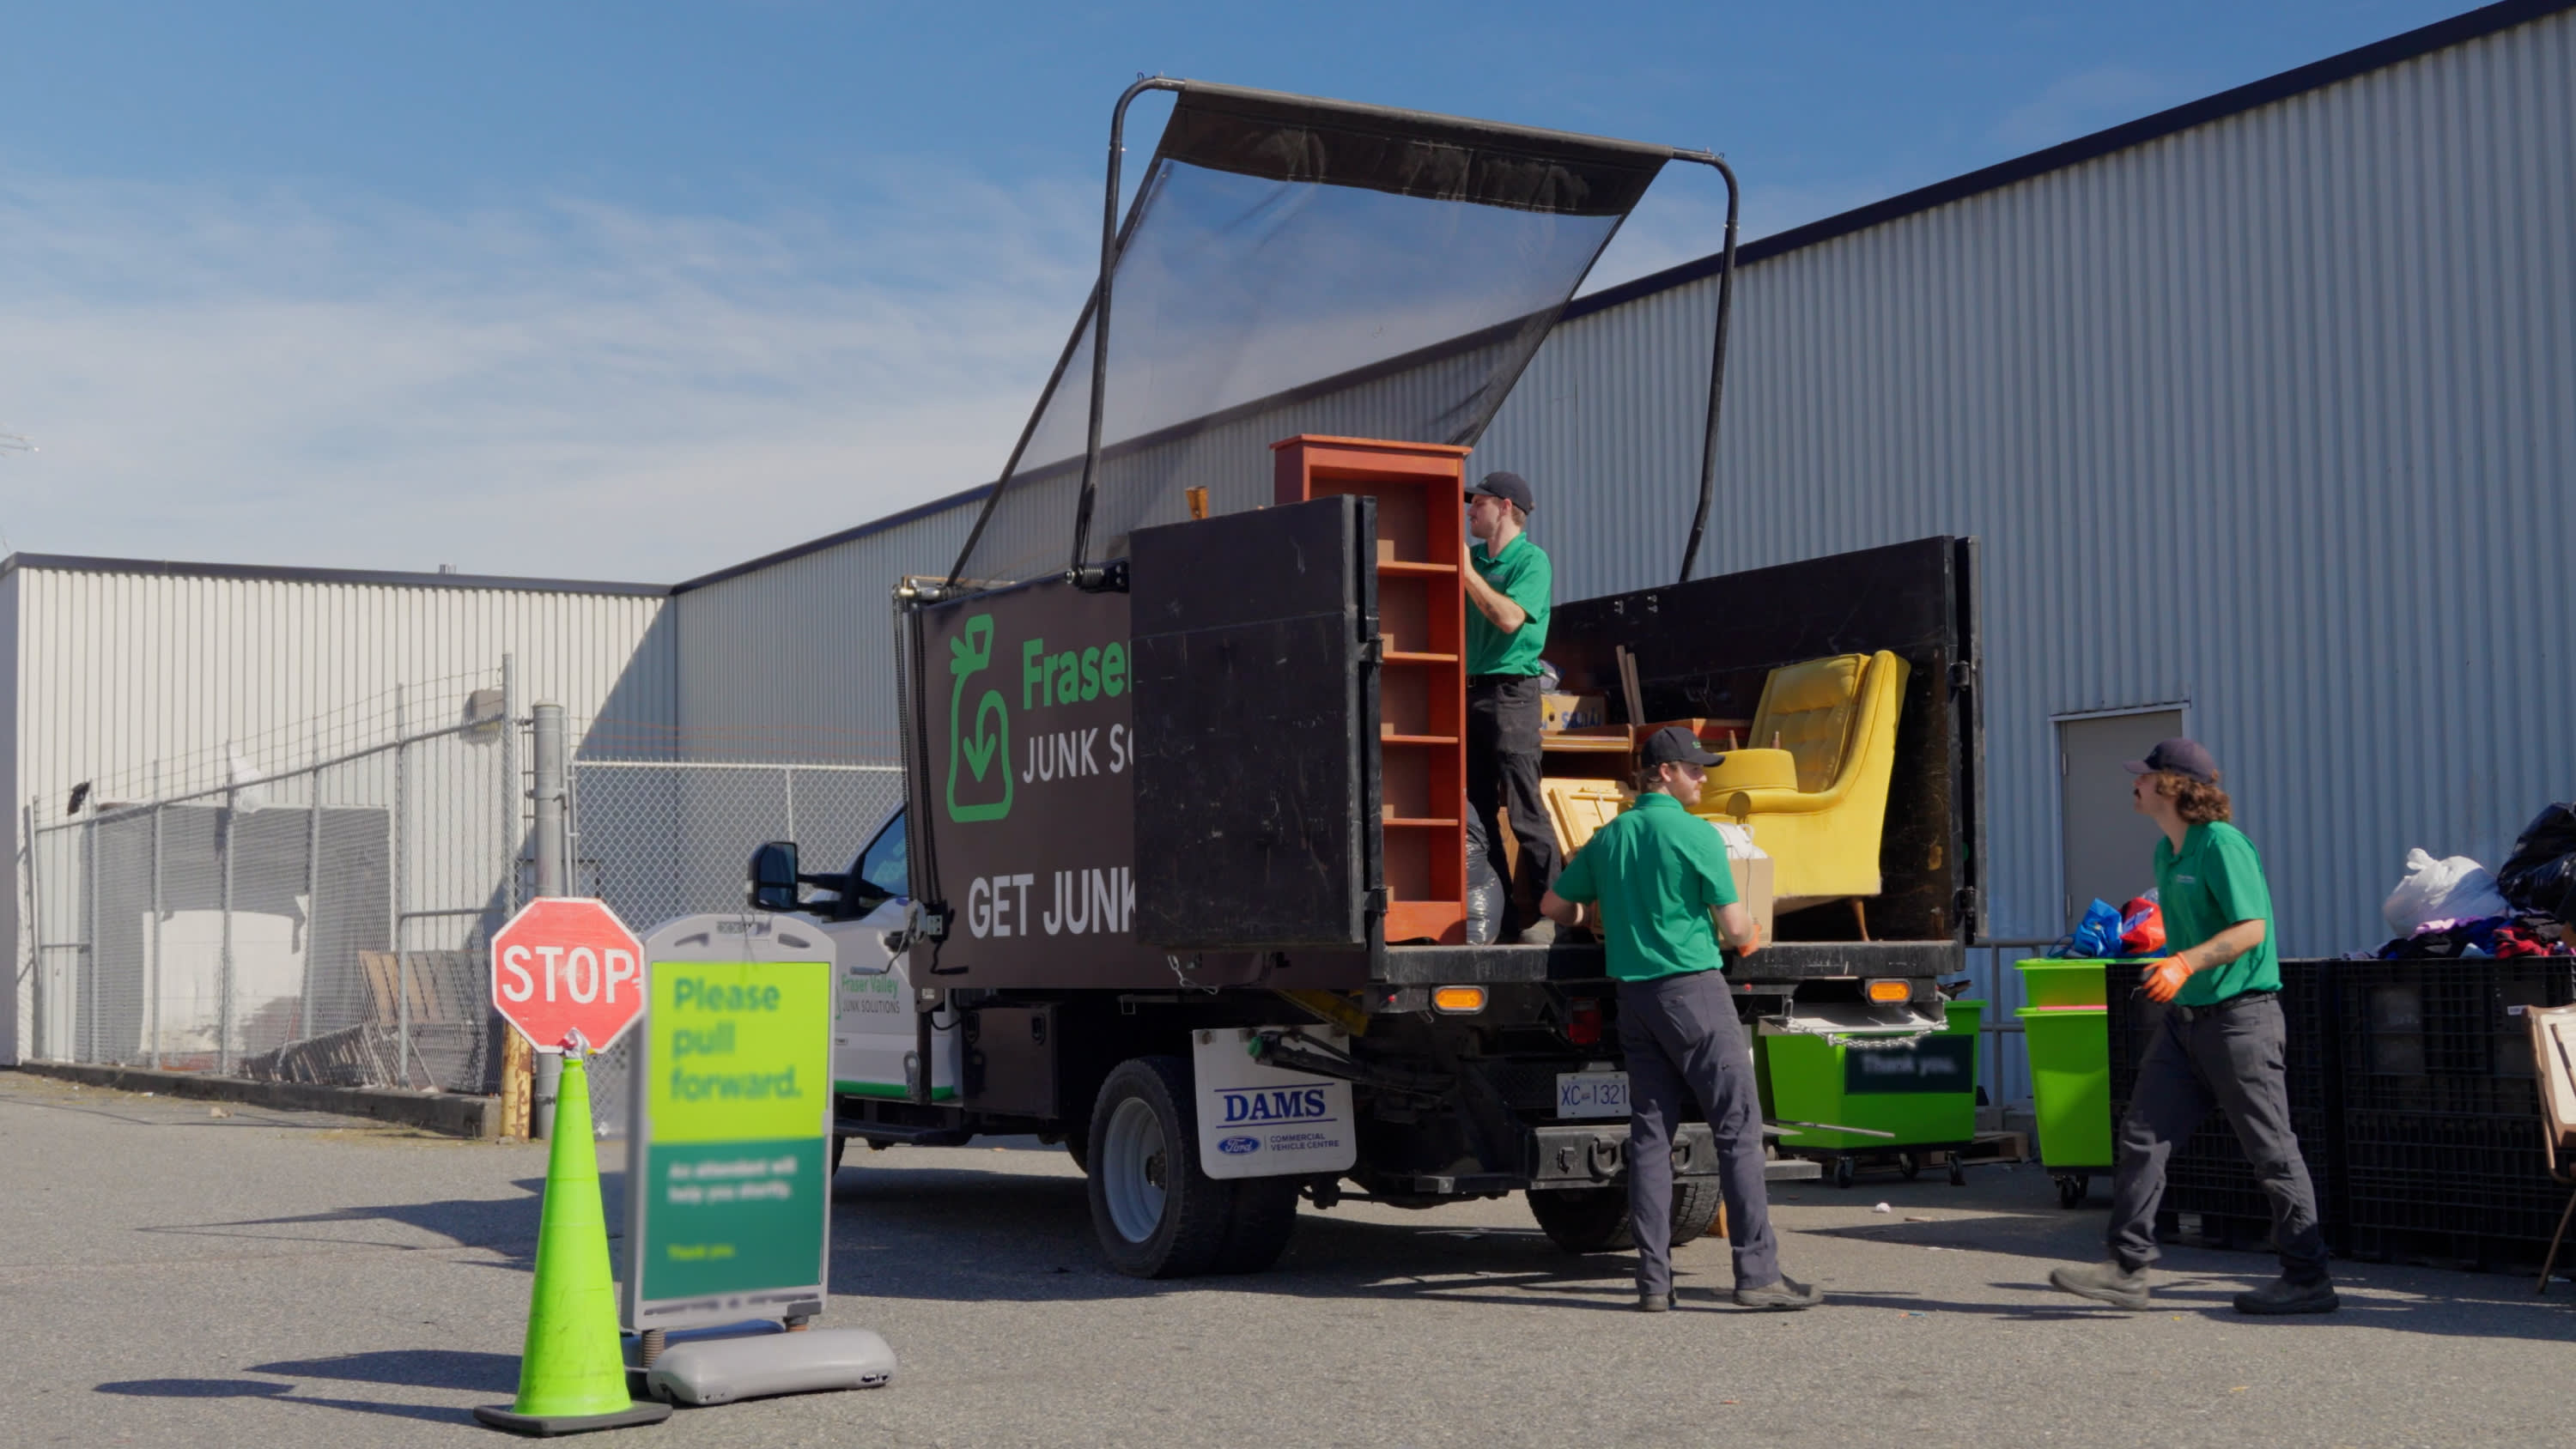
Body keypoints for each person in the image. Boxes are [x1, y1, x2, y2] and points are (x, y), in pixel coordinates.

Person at [2050, 737, 2338, 1315]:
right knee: (2140, 1137)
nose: (2135, 783)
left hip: (2241, 1022)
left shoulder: (2221, 845)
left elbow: (2251, 929)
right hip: (2187, 1024)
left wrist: (2186, 962)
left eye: (2145, 775)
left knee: (2272, 1153)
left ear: (2175, 786)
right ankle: (2128, 1268)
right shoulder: (2168, 852)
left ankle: (2308, 1278)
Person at [1540, 726, 1822, 1313]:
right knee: (1738, 1129)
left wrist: (1591, 912)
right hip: (1693, 991)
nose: (1703, 778)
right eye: (1695, 769)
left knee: (1649, 1137)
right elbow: (1737, 927)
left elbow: (1553, 906)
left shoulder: (1610, 835)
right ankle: (1757, 1275)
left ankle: (1654, 1284)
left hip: (1634, 998)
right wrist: (1748, 934)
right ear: (1664, 772)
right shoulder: (1697, 836)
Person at [1462, 470, 1558, 943]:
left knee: (1523, 809)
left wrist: (1465, 573)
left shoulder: (1531, 561)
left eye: (1476, 503)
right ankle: (1498, 921)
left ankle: (1554, 916)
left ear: (1504, 506)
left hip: (1511, 694)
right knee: (1477, 816)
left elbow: (1507, 618)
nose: (1468, 511)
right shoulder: (1474, 558)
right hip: (1468, 692)